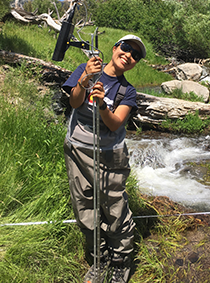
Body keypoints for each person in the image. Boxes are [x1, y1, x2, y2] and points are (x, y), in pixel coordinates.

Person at [62, 34, 146, 283]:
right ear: (115, 48)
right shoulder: (85, 68)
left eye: (136, 55)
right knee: (84, 206)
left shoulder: (128, 91)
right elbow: (75, 103)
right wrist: (86, 77)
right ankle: (99, 259)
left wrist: (101, 105)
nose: (129, 55)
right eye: (127, 48)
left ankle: (121, 261)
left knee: (114, 209)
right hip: (77, 149)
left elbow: (114, 123)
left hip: (110, 155)